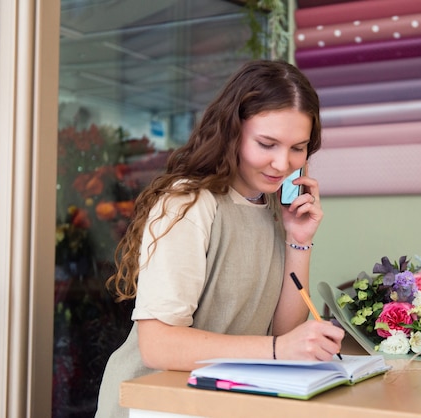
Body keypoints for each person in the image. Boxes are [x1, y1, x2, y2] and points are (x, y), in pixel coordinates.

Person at [95, 59, 344, 417]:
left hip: (216, 403)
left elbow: (280, 332)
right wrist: (278, 350)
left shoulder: (272, 206)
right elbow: (158, 346)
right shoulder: (188, 202)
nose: (282, 164)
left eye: (298, 148)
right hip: (153, 402)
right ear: (232, 131)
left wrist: (299, 239)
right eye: (267, 143)